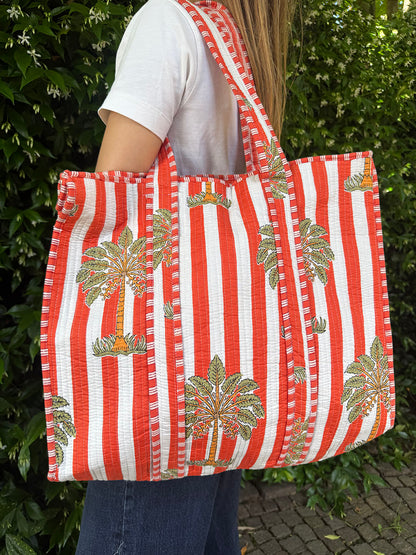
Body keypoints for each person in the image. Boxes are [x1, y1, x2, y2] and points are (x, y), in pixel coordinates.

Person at [76, 1, 292, 553]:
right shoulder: (240, 36)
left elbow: (112, 204)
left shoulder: (167, 21)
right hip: (226, 365)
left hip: (160, 365)